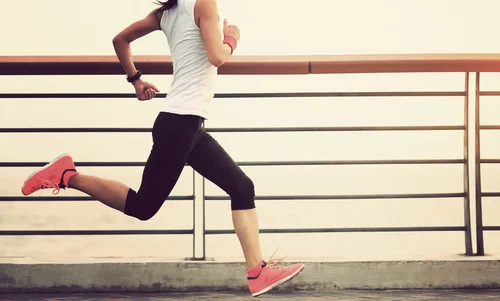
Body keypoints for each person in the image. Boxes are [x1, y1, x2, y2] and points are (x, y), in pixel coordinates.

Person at [20, 0, 304, 297]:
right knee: (143, 207)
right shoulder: (203, 4)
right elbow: (217, 56)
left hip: (188, 127)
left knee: (242, 187)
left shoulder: (166, 12)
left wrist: (135, 79)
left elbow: (120, 40)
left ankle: (256, 273)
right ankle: (67, 175)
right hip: (179, 126)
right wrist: (232, 37)